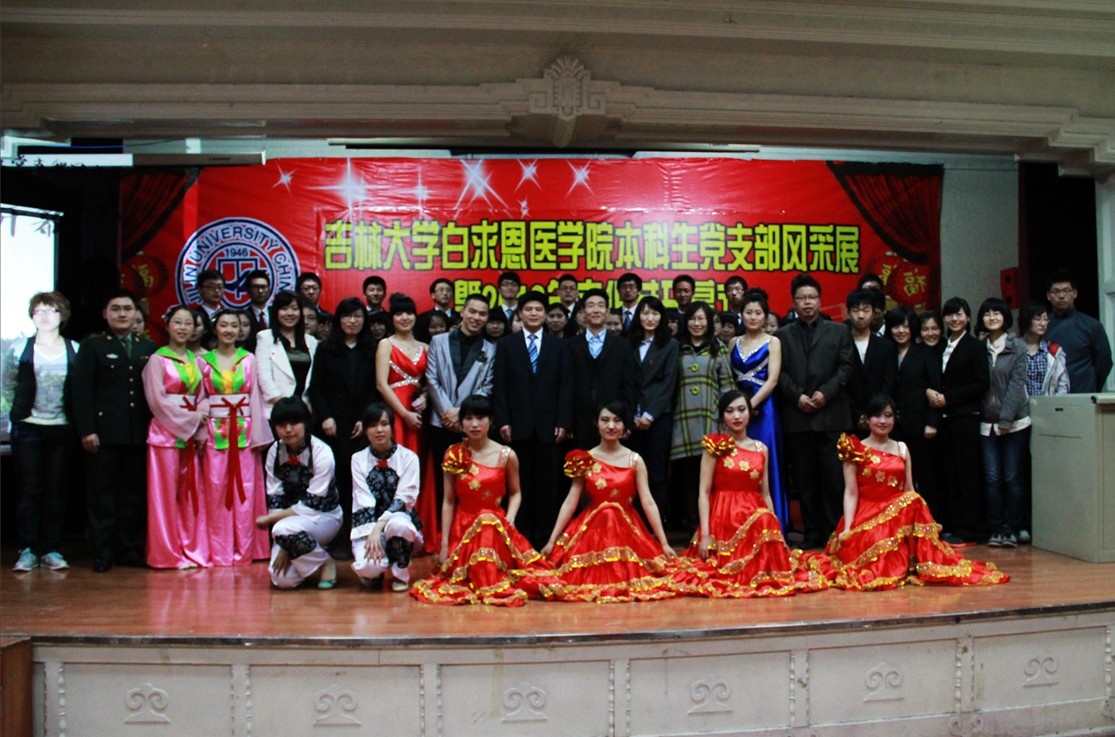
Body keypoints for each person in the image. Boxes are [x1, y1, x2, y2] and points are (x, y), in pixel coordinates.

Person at [822, 395, 1008, 590]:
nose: (883, 421)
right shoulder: (856, 449)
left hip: (898, 514)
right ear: (867, 419)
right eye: (877, 416)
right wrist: (848, 528)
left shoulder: (901, 448)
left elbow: (908, 489)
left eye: (888, 415)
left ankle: (923, 559)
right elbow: (851, 493)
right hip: (867, 514)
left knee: (913, 499)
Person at [541, 402, 693, 603]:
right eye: (605, 420)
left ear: (625, 426)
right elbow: (570, 501)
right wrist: (552, 540)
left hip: (628, 530)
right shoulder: (585, 459)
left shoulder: (635, 460)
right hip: (591, 532)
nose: (611, 426)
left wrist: (664, 543)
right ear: (596, 423)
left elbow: (648, 501)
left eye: (617, 421)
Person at [412, 395, 553, 605]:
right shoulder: (453, 454)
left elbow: (515, 493)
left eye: (480, 418)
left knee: (488, 519)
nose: (475, 424)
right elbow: (448, 501)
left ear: (491, 421)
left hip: (496, 525)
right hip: (463, 527)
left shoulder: (507, 455)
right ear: (461, 423)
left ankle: (489, 579)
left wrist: (511, 517)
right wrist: (444, 545)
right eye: (468, 418)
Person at [689, 391, 828, 597]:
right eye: (730, 411)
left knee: (764, 522)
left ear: (751, 413)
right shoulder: (714, 448)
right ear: (722, 416)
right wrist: (706, 535)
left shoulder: (761, 448)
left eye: (741, 410)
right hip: (724, 515)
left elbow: (765, 494)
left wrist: (776, 532)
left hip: (754, 513)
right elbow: (703, 492)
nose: (737, 416)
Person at [72, 289, 156, 572]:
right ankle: (103, 552)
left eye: (127, 309)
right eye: (116, 309)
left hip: (137, 434)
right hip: (103, 434)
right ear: (105, 314)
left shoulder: (147, 348)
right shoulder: (93, 345)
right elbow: (81, 391)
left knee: (132, 495)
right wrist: (87, 430)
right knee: (102, 496)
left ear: (136, 314)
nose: (122, 314)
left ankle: (129, 550)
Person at [3, 292, 79, 572]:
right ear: (32, 316)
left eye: (51, 310)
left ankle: (51, 549)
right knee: (29, 490)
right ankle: (27, 549)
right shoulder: (19, 348)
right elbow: (8, 387)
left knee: (56, 490)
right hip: (28, 428)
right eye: (39, 311)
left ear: (62, 315)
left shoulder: (74, 349)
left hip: (62, 428)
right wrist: (19, 415)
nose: (45, 316)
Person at [776, 273, 854, 548]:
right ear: (794, 302)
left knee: (834, 479)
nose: (807, 302)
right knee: (805, 479)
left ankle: (834, 530)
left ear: (820, 301)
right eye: (802, 298)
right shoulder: (781, 335)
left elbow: (846, 368)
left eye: (812, 297)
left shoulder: (839, 331)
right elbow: (778, 373)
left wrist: (825, 393)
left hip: (831, 416)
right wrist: (797, 396)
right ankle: (811, 531)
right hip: (798, 417)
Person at [493, 291, 572, 549]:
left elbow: (565, 386)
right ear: (520, 314)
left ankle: (544, 538)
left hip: (550, 427)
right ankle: (521, 537)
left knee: (547, 485)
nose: (534, 314)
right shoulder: (507, 345)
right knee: (520, 483)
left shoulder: (559, 345)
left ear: (546, 314)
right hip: (517, 426)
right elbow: (500, 386)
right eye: (529, 309)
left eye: (539, 309)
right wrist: (503, 420)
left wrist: (563, 421)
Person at [198, 308, 271, 566]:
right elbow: (200, 398)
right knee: (215, 489)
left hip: (244, 431)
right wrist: (200, 430)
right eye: (224, 325)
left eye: (234, 325)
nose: (229, 330)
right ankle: (219, 551)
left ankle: (246, 548)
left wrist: (258, 435)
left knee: (246, 490)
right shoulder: (203, 361)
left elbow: (255, 398)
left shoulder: (248, 359)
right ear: (215, 329)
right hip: (214, 432)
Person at [308, 297, 380, 556]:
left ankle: (361, 533)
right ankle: (337, 536)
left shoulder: (372, 349)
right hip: (333, 427)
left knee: (361, 480)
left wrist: (366, 418)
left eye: (357, 316)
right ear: (338, 320)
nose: (352, 321)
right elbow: (316, 389)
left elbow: (376, 388)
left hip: (363, 426)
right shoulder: (326, 349)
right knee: (337, 479)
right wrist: (325, 417)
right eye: (347, 316)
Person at [142, 305, 208, 569]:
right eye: (177, 322)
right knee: (165, 497)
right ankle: (166, 553)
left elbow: (204, 397)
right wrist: (191, 421)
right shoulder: (157, 360)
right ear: (167, 325)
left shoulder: (198, 361)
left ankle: (191, 549)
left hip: (190, 435)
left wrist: (199, 426)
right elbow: (157, 401)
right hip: (165, 436)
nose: (183, 328)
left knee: (190, 494)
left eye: (188, 323)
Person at [256, 397, 340, 589]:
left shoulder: (321, 452)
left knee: (282, 529)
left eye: (294, 423)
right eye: (282, 425)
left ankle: (326, 563)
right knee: (282, 580)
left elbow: (312, 503)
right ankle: (315, 557)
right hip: (287, 524)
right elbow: (275, 497)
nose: (288, 430)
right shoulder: (274, 452)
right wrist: (285, 543)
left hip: (323, 517)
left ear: (306, 423)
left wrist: (273, 523)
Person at [374, 293, 435, 550]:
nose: (404, 318)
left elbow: (431, 383)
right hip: (395, 414)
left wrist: (425, 397)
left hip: (420, 415)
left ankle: (420, 532)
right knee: (396, 469)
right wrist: (404, 414)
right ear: (392, 318)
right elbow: (381, 384)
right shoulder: (385, 344)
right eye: (399, 313)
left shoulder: (426, 347)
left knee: (420, 468)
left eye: (409, 313)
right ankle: (393, 531)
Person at [927, 297, 989, 545]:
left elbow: (981, 384)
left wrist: (949, 398)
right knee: (950, 474)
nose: (954, 319)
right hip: (945, 420)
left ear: (968, 317)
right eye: (950, 315)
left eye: (959, 314)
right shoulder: (942, 345)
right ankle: (953, 524)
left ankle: (970, 527)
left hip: (965, 417)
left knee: (967, 475)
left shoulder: (974, 347)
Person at [670, 301, 735, 531]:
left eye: (701, 319)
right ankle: (692, 528)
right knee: (686, 478)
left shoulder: (719, 348)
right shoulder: (676, 348)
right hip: (682, 422)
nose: (696, 323)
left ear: (708, 322)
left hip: (710, 421)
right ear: (685, 322)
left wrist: (727, 421)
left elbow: (727, 387)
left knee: (710, 477)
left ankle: (712, 526)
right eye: (692, 318)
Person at [727, 290, 788, 529]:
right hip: (735, 411)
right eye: (748, 312)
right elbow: (729, 379)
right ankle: (738, 523)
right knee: (736, 464)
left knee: (764, 463)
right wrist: (737, 410)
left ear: (765, 316)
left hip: (764, 410)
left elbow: (772, 381)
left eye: (758, 313)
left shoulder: (773, 342)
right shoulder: (733, 342)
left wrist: (749, 406)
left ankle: (771, 523)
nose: (753, 317)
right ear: (741, 315)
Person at [426, 293, 497, 489]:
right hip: (441, 422)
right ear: (462, 311)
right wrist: (448, 413)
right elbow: (431, 379)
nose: (476, 317)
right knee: (442, 481)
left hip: (472, 424)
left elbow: (487, 386)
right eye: (472, 311)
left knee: (471, 481)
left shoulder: (490, 349)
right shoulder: (438, 341)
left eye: (482, 314)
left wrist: (462, 413)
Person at [350, 402, 424, 591]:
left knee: (399, 525)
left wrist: (378, 528)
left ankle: (401, 573)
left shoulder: (408, 458)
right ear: (365, 430)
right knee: (368, 568)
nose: (379, 430)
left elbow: (404, 499)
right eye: (373, 425)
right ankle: (376, 571)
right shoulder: (357, 459)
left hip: (398, 521)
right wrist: (372, 533)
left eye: (384, 424)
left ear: (392, 427)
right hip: (369, 524)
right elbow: (363, 499)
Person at [977, 298, 1031, 548]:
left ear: (1005, 317)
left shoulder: (1017, 346)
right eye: (987, 314)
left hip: (1015, 423)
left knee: (1012, 478)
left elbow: (1017, 385)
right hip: (986, 423)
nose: (992, 317)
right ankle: (996, 529)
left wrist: (1006, 419)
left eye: (996, 313)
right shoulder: (979, 347)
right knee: (991, 478)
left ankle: (1012, 528)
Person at [884, 307, 944, 520]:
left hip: (920, 424)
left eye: (906, 326)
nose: (901, 331)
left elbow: (935, 387)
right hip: (894, 425)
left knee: (926, 476)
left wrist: (932, 422)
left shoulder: (924, 352)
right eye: (896, 326)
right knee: (897, 477)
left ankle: (930, 522)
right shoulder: (887, 352)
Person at [563, 288, 639, 449]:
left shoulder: (622, 345)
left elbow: (629, 387)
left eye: (600, 305)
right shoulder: (570, 345)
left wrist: (627, 420)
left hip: (613, 421)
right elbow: (564, 386)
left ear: (607, 311)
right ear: (584, 312)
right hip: (578, 422)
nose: (596, 310)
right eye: (591, 305)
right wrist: (565, 422)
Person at [626, 296, 679, 526]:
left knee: (656, 472)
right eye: (645, 313)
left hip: (659, 417)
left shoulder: (670, 345)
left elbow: (669, 383)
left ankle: (656, 526)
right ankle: (634, 523)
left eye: (655, 313)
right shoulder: (628, 342)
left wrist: (649, 415)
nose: (650, 318)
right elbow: (625, 381)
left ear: (662, 317)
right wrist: (632, 414)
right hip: (631, 418)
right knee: (632, 471)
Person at [1045, 269, 1113, 393]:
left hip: (1083, 393)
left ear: (1075, 293)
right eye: (1056, 291)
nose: (1061, 296)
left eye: (1066, 290)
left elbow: (1105, 362)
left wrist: (1091, 386)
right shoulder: (1041, 326)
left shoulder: (1092, 326)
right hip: (1049, 396)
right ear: (1049, 296)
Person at [254, 290, 317, 417]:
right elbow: (264, 378)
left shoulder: (311, 341)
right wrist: (285, 406)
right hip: (276, 410)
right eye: (284, 309)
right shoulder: (265, 338)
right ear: (276, 312)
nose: (289, 313)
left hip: (305, 410)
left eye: (294, 309)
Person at [845, 289, 897, 434]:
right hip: (848, 418)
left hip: (880, 418)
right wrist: (857, 415)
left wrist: (874, 414)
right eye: (855, 310)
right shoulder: (840, 345)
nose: (861, 315)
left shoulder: (886, 346)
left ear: (874, 313)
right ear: (848, 312)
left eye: (866, 310)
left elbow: (889, 383)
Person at [1020, 300, 1070, 398]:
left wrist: (1052, 404)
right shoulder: (1014, 349)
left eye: (1046, 319)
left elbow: (1063, 385)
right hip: (1020, 406)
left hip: (1049, 405)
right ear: (1027, 319)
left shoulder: (1053, 351)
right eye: (1038, 319)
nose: (1043, 323)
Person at [415, 277, 458, 343]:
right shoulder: (422, 318)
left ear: (452, 295)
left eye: (448, 290)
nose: (445, 293)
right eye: (441, 290)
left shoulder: (460, 318)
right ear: (433, 295)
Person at [243, 269, 272, 344]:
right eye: (256, 287)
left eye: (263, 287)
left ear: (269, 290)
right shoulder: (243, 316)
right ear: (248, 290)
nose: (260, 291)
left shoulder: (276, 313)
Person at [194, 269, 224, 333]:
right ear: (200, 289)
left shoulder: (227, 315)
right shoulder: (194, 316)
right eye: (211, 287)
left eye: (220, 287)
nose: (216, 290)